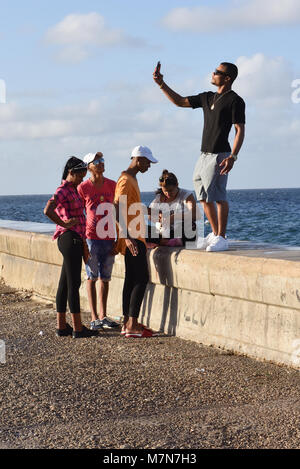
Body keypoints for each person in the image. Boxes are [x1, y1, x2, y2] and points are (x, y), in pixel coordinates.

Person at [153, 62, 245, 251]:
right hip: (203, 155)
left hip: (220, 154)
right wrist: (161, 84)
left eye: (217, 72)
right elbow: (180, 101)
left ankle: (222, 236)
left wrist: (233, 157)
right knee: (203, 196)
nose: (213, 73)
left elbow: (239, 129)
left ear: (227, 78)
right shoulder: (207, 97)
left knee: (218, 195)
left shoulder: (235, 100)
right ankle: (214, 232)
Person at [44, 157, 98, 339]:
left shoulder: (72, 189)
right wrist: (64, 224)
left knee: (64, 283)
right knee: (74, 283)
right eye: (80, 176)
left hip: (74, 239)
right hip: (69, 238)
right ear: (71, 173)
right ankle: (78, 328)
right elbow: (48, 209)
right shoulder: (63, 190)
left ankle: (62, 326)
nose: (82, 180)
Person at [114, 145, 158, 338]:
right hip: (132, 238)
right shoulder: (125, 180)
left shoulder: (131, 179)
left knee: (131, 280)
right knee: (141, 279)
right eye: (148, 162)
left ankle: (127, 323)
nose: (149, 166)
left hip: (135, 236)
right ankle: (132, 325)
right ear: (138, 159)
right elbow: (116, 207)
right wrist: (127, 237)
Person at [78, 152, 119, 331]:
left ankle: (103, 316)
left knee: (106, 278)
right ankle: (94, 317)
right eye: (97, 161)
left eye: (102, 160)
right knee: (91, 277)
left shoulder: (112, 185)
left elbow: (118, 212)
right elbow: (79, 214)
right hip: (91, 238)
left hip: (109, 237)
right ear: (89, 167)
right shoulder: (83, 187)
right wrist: (81, 241)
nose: (101, 163)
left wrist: (119, 238)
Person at [148, 169, 198, 247]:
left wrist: (173, 217)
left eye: (171, 190)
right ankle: (165, 241)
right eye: (165, 191)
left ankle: (166, 241)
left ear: (177, 185)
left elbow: (194, 215)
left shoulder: (186, 195)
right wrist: (160, 218)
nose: (168, 194)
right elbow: (150, 216)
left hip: (182, 231)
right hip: (166, 232)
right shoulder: (159, 198)